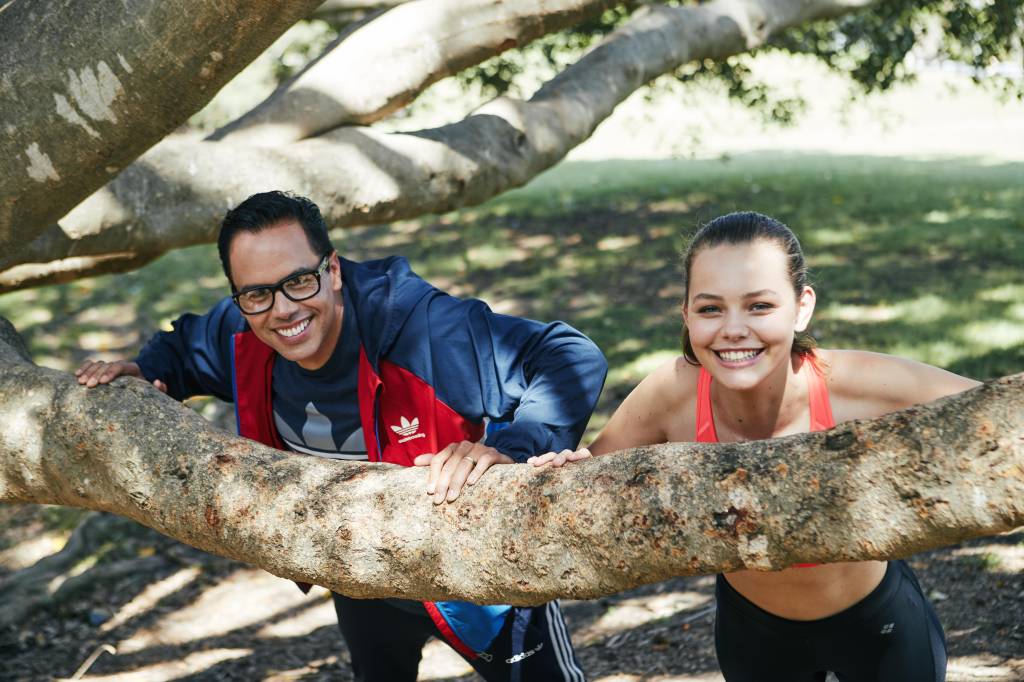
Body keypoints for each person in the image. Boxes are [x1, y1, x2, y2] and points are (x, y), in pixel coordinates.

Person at [76, 190, 603, 682]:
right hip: (358, 571)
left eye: (299, 281)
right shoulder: (241, 329)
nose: (283, 309)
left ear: (332, 269)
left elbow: (568, 355)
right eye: (257, 293)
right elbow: (183, 348)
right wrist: (143, 374)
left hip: (472, 574)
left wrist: (511, 448)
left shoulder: (423, 331)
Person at [529, 211, 973, 681]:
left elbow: (998, 411)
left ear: (802, 307)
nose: (733, 329)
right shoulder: (672, 393)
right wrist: (566, 468)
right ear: (686, 314)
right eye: (710, 309)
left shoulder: (856, 383)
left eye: (759, 306)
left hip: (876, 623)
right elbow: (592, 475)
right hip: (754, 632)